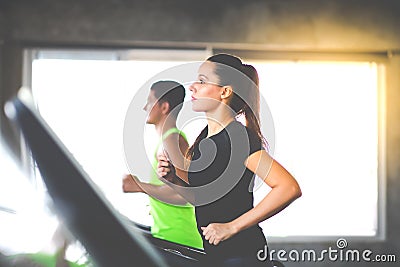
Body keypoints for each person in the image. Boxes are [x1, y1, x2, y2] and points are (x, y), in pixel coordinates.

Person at [157, 54, 302, 266]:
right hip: (217, 255)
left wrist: (231, 227)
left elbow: (288, 187)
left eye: (202, 81)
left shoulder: (238, 139)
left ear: (225, 91)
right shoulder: (204, 139)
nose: (192, 87)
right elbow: (202, 199)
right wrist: (174, 179)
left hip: (242, 255)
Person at [122, 80, 203, 249]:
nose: (145, 107)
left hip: (179, 238)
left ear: (164, 107)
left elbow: (184, 196)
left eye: (150, 101)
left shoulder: (171, 140)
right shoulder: (166, 141)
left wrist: (139, 186)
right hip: (168, 235)